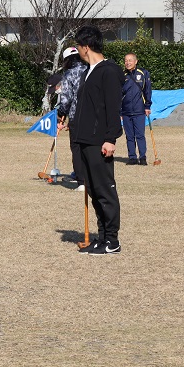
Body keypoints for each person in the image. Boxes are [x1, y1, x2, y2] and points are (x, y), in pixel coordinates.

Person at [70, 26, 124, 255]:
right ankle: (101, 238)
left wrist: (110, 138)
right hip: (84, 139)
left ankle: (112, 240)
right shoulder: (87, 71)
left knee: (105, 190)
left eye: (79, 47)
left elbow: (113, 107)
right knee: (92, 190)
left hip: (99, 140)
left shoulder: (109, 71)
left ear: (86, 47)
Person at [56, 46, 88, 192]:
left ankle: (81, 181)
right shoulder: (89, 69)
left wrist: (61, 112)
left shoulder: (69, 74)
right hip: (93, 116)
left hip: (76, 116)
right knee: (89, 147)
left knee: (76, 148)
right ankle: (92, 178)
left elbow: (66, 98)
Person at [121, 53, 152, 165]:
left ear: (136, 61)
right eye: (126, 61)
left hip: (139, 110)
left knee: (140, 135)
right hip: (126, 111)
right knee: (129, 136)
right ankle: (132, 157)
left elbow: (147, 90)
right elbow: (119, 93)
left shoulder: (143, 73)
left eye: (130, 60)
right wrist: (120, 110)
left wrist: (147, 106)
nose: (128, 63)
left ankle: (142, 157)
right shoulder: (122, 75)